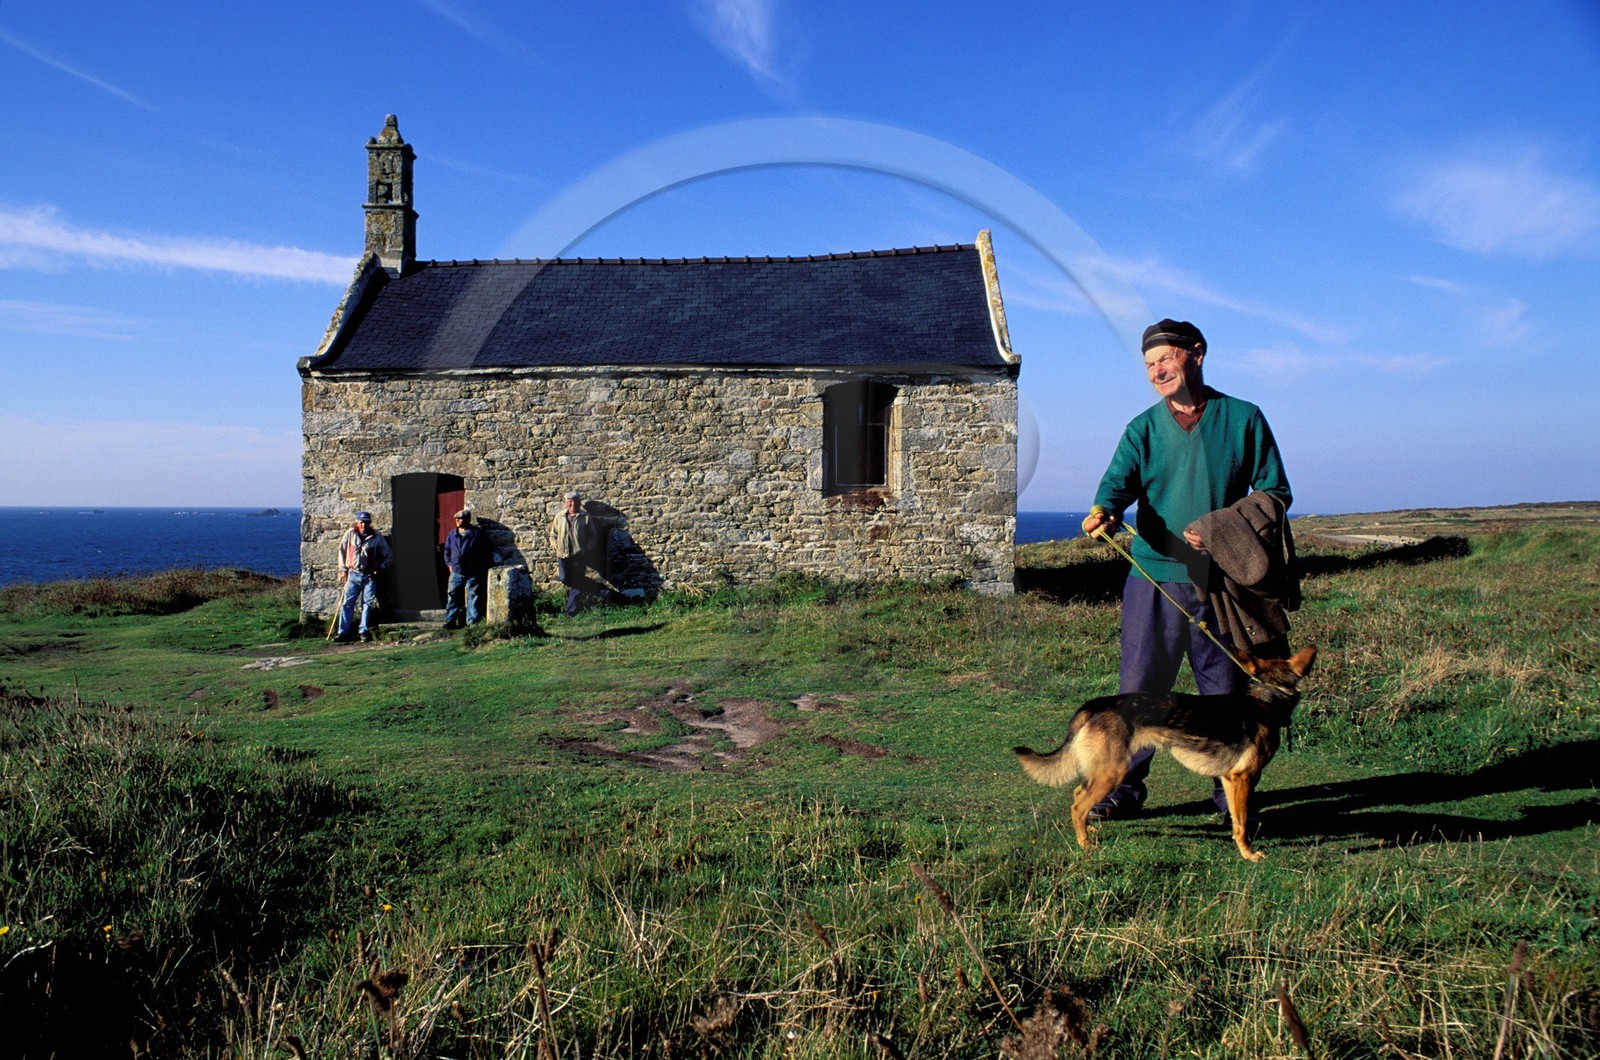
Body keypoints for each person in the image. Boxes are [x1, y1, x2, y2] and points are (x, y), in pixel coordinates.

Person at [1080, 319, 1293, 820]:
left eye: (1165, 359)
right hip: (1152, 580)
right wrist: (1105, 510)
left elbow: (1275, 493)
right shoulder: (1142, 428)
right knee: (1139, 692)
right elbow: (1116, 485)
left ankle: (1230, 799)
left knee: (1224, 696)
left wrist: (1222, 526)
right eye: (1149, 364)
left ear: (1196, 353)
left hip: (1222, 583)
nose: (1156, 371)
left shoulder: (1244, 418)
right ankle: (1120, 793)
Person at [335, 511, 393, 643]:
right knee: (347, 603)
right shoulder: (350, 534)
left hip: (369, 576)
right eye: (361, 522)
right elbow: (342, 551)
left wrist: (380, 568)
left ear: (370, 522)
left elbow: (389, 555)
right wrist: (343, 570)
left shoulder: (376, 537)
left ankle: (363, 631)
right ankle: (343, 632)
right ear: (357, 522)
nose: (363, 525)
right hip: (353, 574)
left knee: (367, 604)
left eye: (366, 522)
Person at [548, 490, 604, 616]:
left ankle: (570, 612)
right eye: (570, 501)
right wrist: (555, 545)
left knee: (576, 583)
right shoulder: (560, 516)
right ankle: (590, 584)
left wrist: (587, 548)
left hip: (579, 556)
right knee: (564, 578)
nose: (573, 504)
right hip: (563, 554)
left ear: (580, 502)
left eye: (576, 501)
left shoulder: (585, 517)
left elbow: (593, 536)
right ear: (566, 502)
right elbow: (553, 534)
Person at [442, 508, 489, 629]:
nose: (457, 520)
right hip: (456, 571)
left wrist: (479, 566)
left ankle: (472, 622)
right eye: (456, 519)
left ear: (468, 519)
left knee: (473, 595)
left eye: (460, 518)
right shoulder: (452, 534)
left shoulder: (476, 533)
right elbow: (447, 550)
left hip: (473, 571)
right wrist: (449, 564)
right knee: (453, 595)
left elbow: (484, 551)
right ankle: (451, 621)